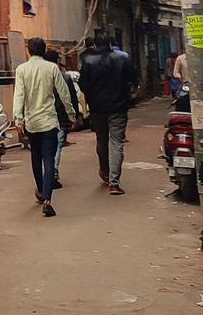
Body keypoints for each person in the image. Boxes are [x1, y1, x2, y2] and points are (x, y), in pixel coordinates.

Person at [14, 37, 79, 217]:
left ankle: (41, 191)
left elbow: (19, 95)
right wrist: (71, 114)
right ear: (43, 51)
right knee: (49, 158)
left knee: (35, 156)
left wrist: (18, 119)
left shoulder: (21, 70)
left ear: (29, 51)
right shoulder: (52, 68)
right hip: (49, 121)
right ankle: (48, 199)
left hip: (32, 122)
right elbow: (64, 94)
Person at [79, 36, 136, 195]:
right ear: (110, 44)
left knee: (101, 140)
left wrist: (92, 97)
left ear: (95, 45)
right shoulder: (122, 59)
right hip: (118, 107)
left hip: (97, 109)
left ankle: (105, 171)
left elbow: (83, 85)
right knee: (117, 143)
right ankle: (114, 182)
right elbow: (132, 80)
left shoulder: (88, 61)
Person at [45, 48, 80, 189]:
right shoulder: (64, 77)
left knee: (47, 148)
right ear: (57, 61)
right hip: (60, 116)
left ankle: (49, 174)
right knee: (58, 146)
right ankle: (52, 174)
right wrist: (74, 115)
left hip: (43, 117)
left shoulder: (41, 76)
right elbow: (71, 98)